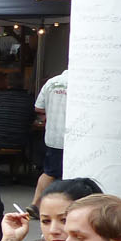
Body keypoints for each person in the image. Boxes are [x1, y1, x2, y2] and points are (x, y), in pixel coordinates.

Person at [33, 70, 68, 206]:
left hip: (54, 136)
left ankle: (36, 204)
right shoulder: (82, 82)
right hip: (73, 138)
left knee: (50, 172)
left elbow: (38, 107)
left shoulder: (51, 82)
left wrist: (52, 112)